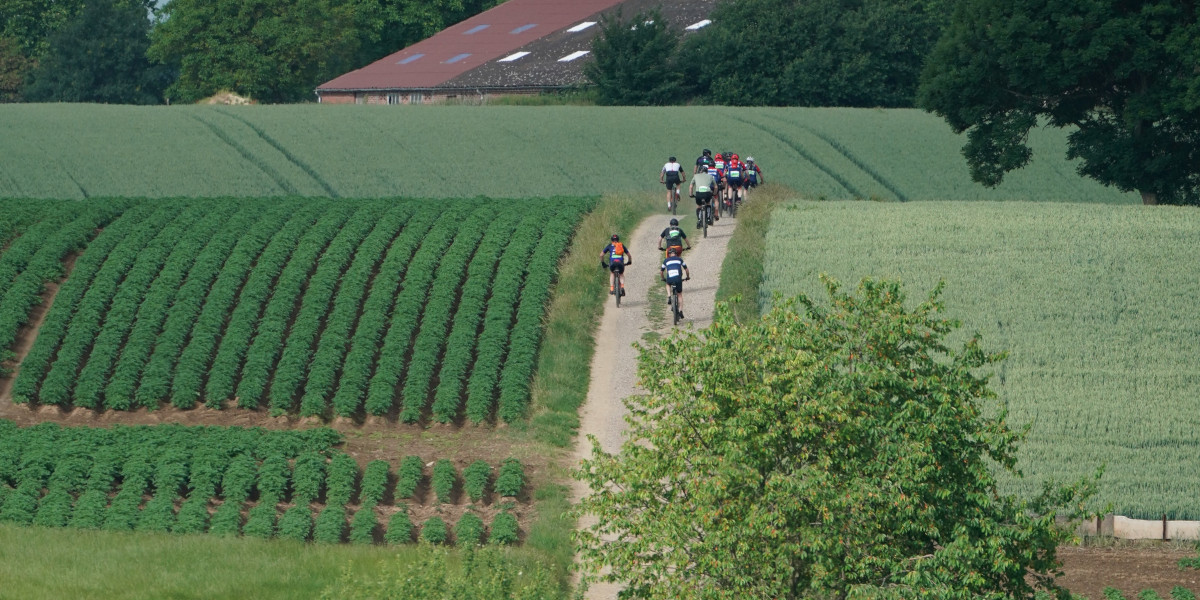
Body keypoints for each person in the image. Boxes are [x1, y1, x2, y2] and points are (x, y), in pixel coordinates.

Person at [660, 247, 690, 318]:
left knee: (667, 283)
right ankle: (680, 311)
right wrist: (687, 277)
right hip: (678, 279)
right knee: (679, 295)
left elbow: (661, 271)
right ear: (676, 254)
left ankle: (669, 296)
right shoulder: (680, 259)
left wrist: (663, 278)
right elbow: (686, 269)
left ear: (669, 254)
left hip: (670, 279)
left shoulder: (666, 260)